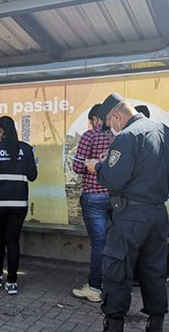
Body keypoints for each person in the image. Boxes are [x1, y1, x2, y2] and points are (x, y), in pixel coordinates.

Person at [80, 93, 169, 332]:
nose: (112, 130)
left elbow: (115, 180)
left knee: (117, 273)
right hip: (157, 214)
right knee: (154, 273)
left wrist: (97, 166)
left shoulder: (126, 137)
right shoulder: (163, 130)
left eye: (111, 125)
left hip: (130, 216)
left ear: (117, 117)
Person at [0, 115, 37, 295]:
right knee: (13, 240)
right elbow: (33, 176)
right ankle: (12, 281)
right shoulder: (26, 149)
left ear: (1, 131)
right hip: (19, 203)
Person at [71, 104, 114, 302]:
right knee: (113, 243)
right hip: (115, 197)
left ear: (96, 119)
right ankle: (114, 285)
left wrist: (92, 162)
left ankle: (95, 287)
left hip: (93, 196)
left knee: (99, 244)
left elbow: (78, 167)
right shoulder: (119, 137)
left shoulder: (89, 136)